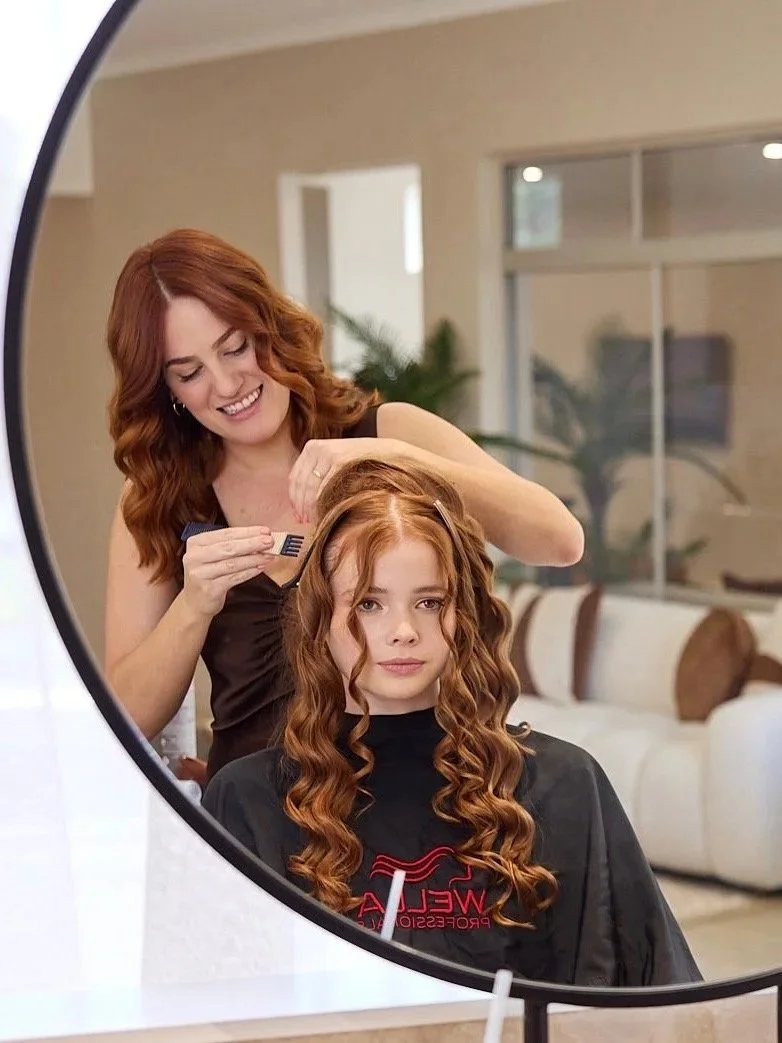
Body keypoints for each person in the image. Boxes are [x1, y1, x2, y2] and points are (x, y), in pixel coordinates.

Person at [104, 227, 584, 781]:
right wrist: (194, 605)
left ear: (272, 328)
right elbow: (127, 716)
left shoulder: (388, 433)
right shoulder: (159, 496)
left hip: (421, 810)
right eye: (189, 373)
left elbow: (560, 540)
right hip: (258, 826)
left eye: (236, 347)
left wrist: (395, 458)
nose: (227, 383)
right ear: (168, 392)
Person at [202, 458, 701, 987]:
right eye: (369, 603)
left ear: (464, 612)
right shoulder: (249, 800)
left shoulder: (563, 785)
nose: (403, 631)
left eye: (429, 602)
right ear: (319, 617)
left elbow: (652, 999)